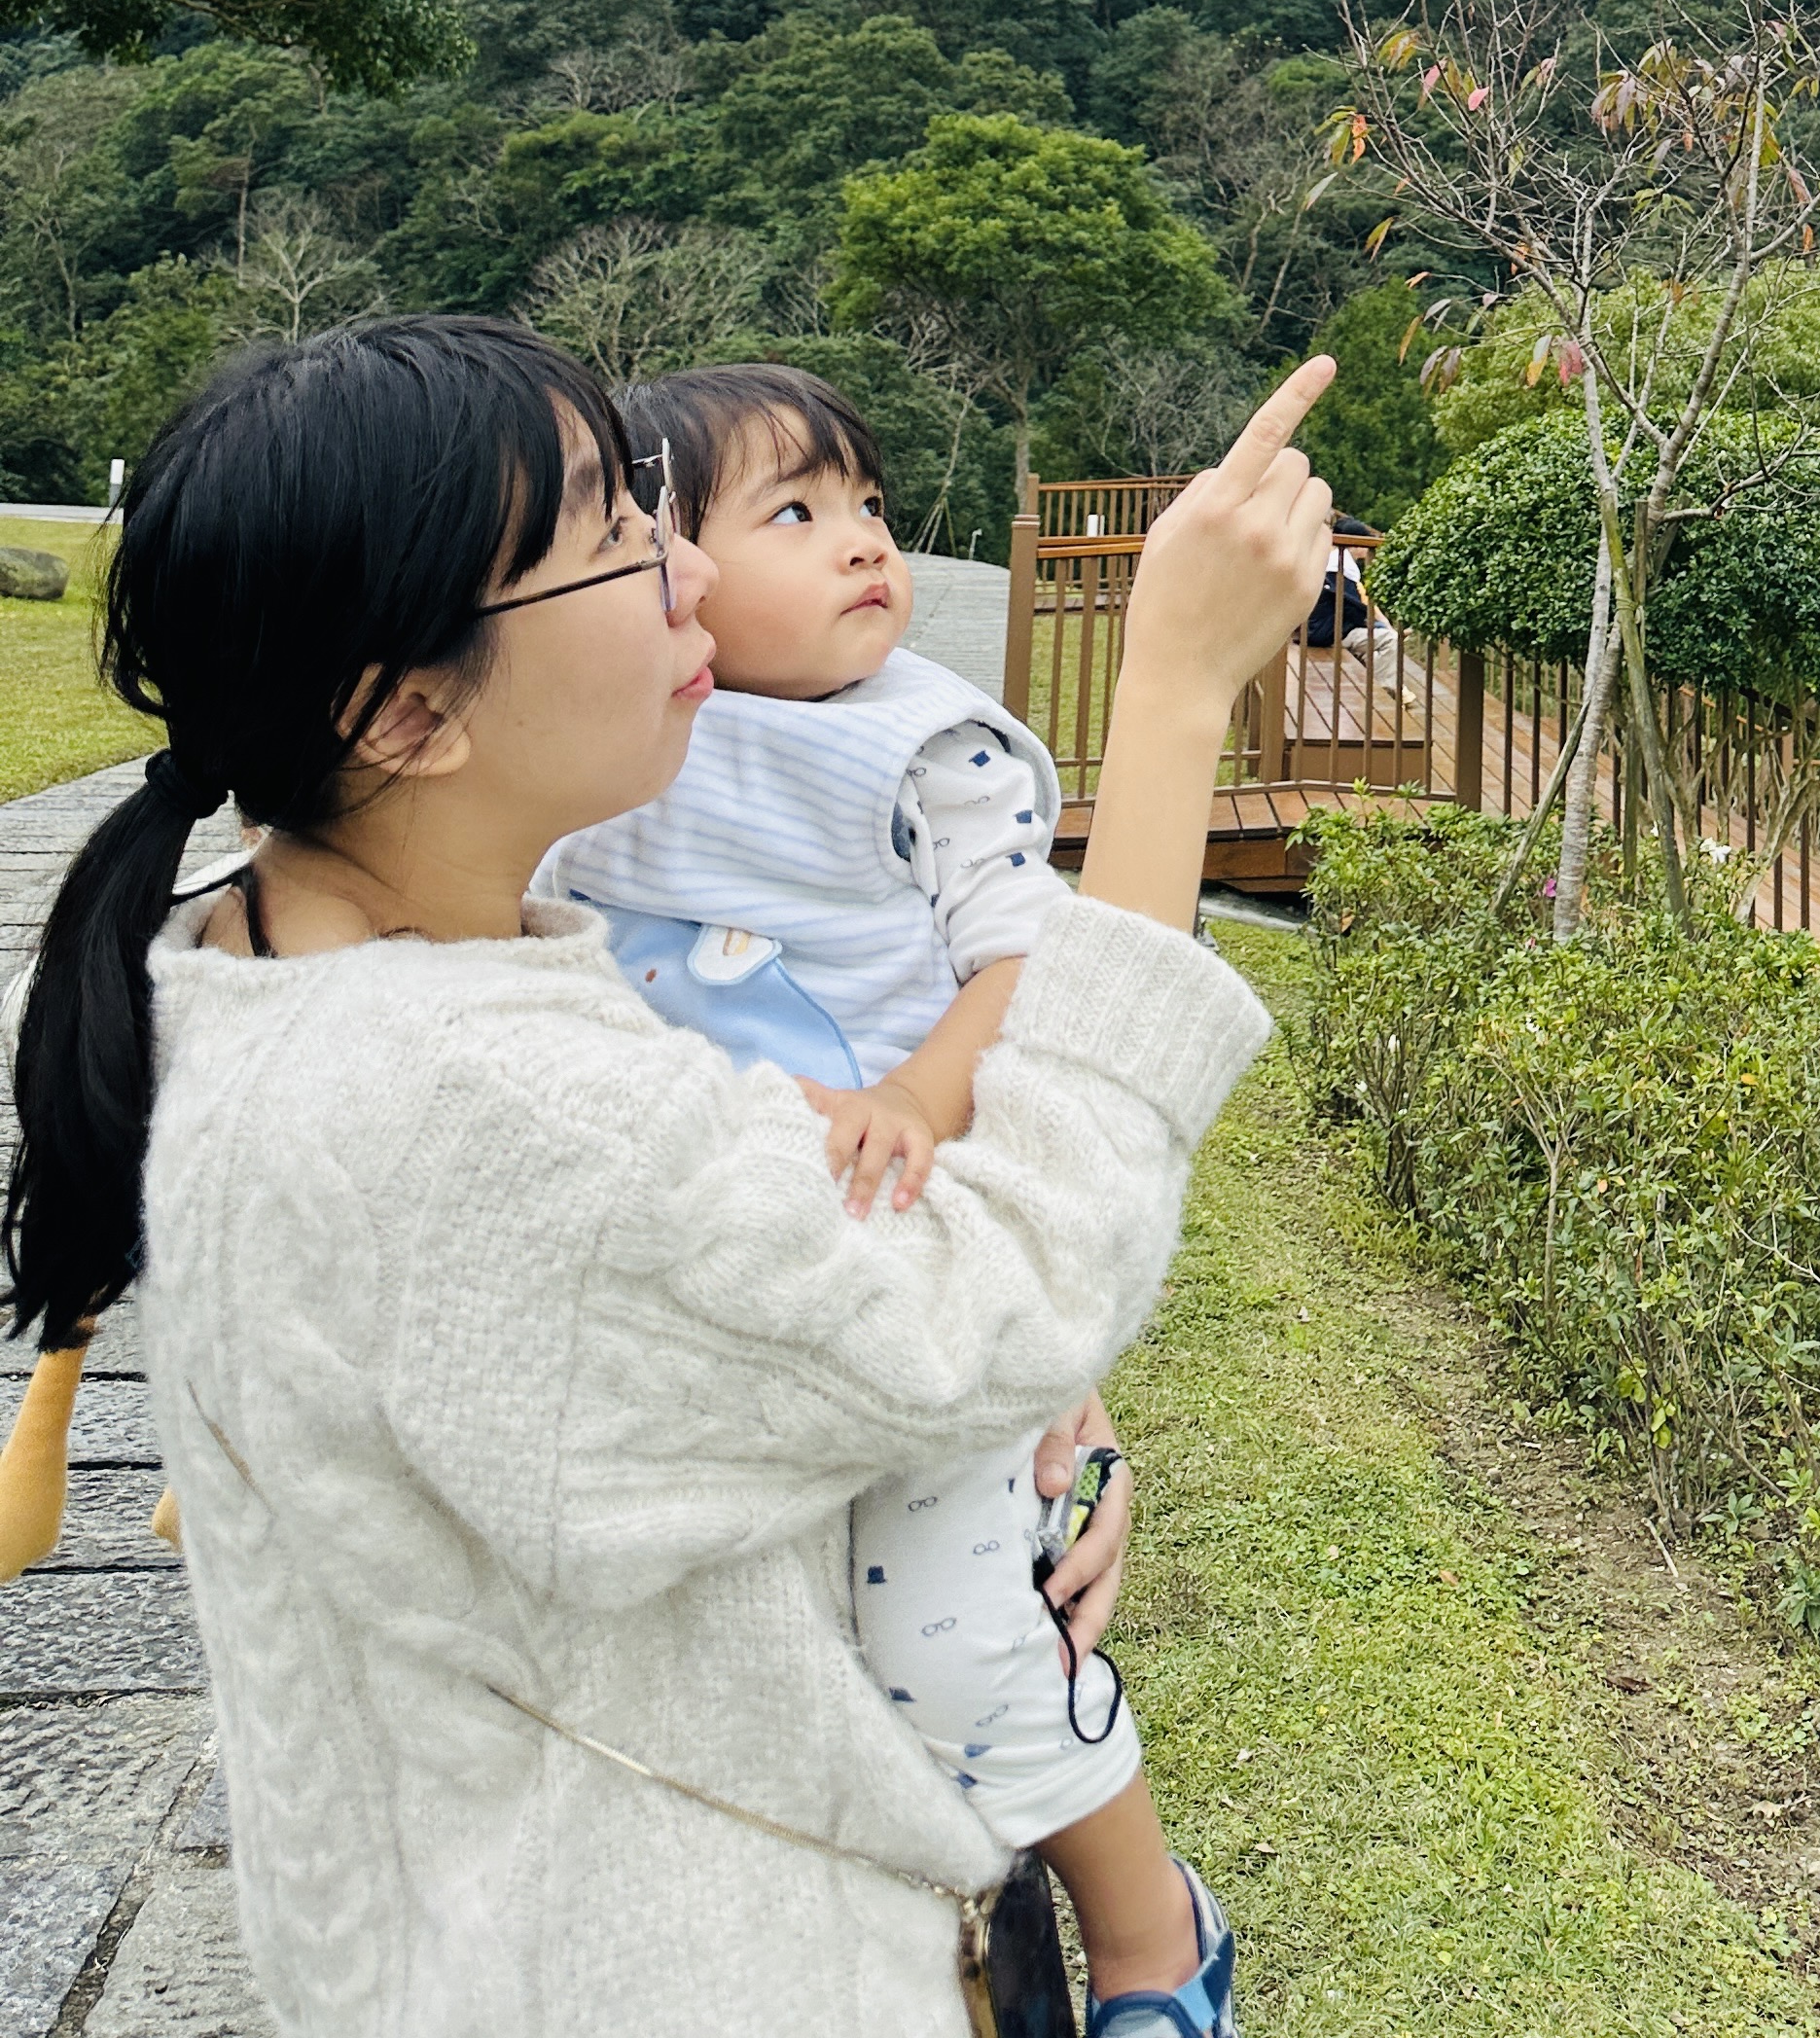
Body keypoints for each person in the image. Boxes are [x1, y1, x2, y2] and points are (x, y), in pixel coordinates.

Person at [1, 313, 1333, 2038]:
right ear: (410, 713)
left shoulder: (310, 981)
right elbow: (1006, 1290)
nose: (684, 579)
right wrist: (1172, 692)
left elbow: (786, 1339)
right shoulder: (491, 1111)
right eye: (617, 543)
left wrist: (1013, 1440)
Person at [536, 362, 1218, 2030]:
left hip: (912, 1245)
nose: (863, 546)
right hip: (719, 1285)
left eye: (870, 509)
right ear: (667, 568)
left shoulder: (929, 752)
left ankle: (1149, 1934)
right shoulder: (610, 744)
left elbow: (1028, 969)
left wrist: (922, 1097)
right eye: (794, 512)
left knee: (957, 1641)